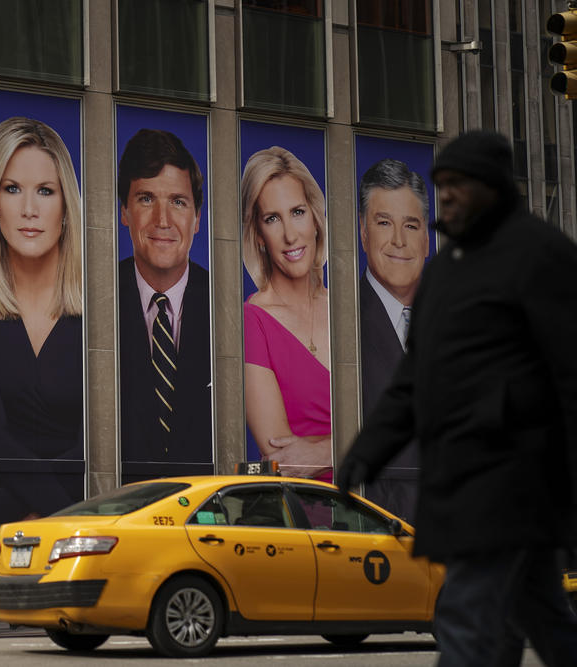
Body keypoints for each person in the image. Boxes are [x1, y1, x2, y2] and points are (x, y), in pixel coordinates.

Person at [336, 130, 577, 666]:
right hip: (468, 483)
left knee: (467, 626)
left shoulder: (543, 256)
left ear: (490, 188)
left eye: (456, 189)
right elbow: (413, 382)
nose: (446, 200)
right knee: (543, 620)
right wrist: (364, 453)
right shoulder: (444, 273)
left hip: (518, 482)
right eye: (441, 188)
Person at [0, 117, 83, 463]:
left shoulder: (102, 311)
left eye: (45, 191)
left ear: (66, 206)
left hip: (81, 509)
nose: (29, 210)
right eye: (12, 189)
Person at [117, 128, 212, 468]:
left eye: (178, 202)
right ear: (124, 212)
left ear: (197, 218)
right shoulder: (95, 297)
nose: (163, 220)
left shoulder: (223, 304)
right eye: (146, 199)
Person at [240, 146, 330, 480]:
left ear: (316, 219)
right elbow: (285, 459)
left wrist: (324, 449)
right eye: (272, 219)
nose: (290, 235)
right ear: (259, 236)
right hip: (308, 516)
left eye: (297, 212)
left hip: (384, 508)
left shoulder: (350, 310)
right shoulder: (253, 321)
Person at [357, 158, 430, 519]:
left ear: (427, 239)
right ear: (363, 232)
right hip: (384, 531)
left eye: (411, 225)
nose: (399, 241)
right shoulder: (341, 319)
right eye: (384, 223)